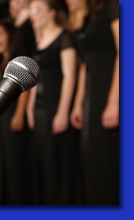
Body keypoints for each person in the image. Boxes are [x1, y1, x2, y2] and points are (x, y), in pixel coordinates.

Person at [26, 0, 79, 205]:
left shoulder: (64, 37)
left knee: (57, 162)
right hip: (39, 111)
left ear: (52, 13)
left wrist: (63, 111)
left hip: (56, 107)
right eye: (30, 11)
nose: (32, 15)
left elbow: (70, 76)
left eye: (36, 11)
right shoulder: (39, 42)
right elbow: (36, 81)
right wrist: (30, 109)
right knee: (42, 163)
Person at [67, 0, 119, 205]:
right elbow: (84, 64)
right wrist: (78, 103)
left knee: (109, 155)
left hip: (111, 88)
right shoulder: (86, 19)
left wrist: (115, 101)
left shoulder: (113, 6)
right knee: (93, 157)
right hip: (92, 94)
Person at [0, 22, 33, 205]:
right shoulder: (0, 60)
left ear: (10, 35)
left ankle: (18, 202)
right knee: (4, 161)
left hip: (14, 113)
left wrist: (19, 113)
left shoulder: (19, 58)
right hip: (3, 116)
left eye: (0, 34)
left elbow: (26, 88)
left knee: (16, 161)